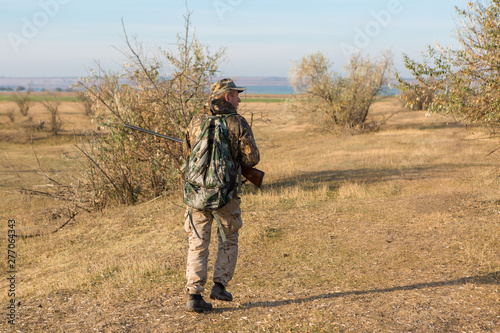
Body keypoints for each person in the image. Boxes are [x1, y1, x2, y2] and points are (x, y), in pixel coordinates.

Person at [182, 78, 260, 313]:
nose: (238, 100)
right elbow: (252, 159)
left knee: (197, 243)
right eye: (237, 95)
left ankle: (194, 296)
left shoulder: (196, 121)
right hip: (226, 193)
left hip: (197, 193)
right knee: (228, 239)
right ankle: (219, 286)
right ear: (227, 96)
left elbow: (186, 154)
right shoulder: (237, 122)